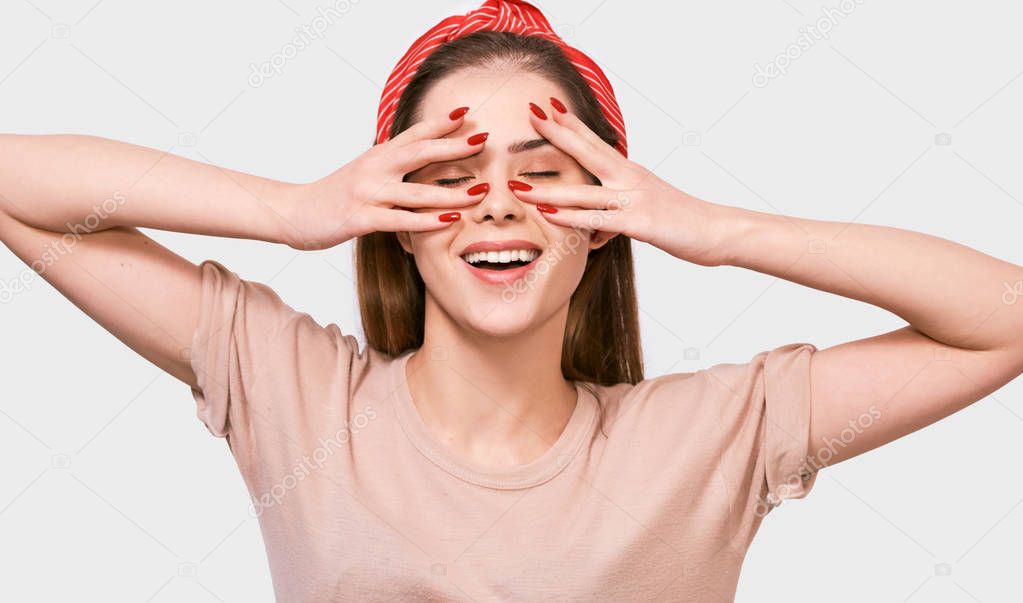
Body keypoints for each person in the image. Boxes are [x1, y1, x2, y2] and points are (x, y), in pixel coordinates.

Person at [1, 0, 1020, 600]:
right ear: (396, 214)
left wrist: (716, 231)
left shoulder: (718, 434)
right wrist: (290, 210)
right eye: (450, 176)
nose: (496, 205)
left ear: (607, 214)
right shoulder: (295, 391)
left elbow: (1002, 320)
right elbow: (20, 187)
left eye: (545, 173)